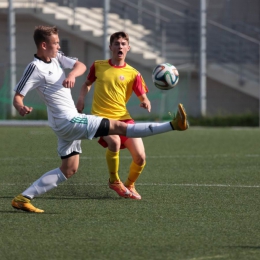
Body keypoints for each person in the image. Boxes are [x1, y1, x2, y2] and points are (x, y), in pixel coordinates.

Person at [11, 25, 189, 213]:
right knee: (119, 128)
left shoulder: (56, 57)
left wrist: (71, 74)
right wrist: (21, 107)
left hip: (66, 120)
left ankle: (23, 198)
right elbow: (17, 96)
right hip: (68, 121)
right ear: (44, 45)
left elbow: (79, 66)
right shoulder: (34, 67)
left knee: (69, 168)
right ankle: (173, 125)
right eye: (55, 43)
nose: (58, 46)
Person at [76, 31, 151, 200]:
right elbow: (86, 84)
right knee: (115, 141)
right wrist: (81, 99)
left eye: (123, 44)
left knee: (140, 157)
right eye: (116, 44)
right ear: (110, 47)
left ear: (128, 48)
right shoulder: (98, 65)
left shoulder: (134, 73)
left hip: (123, 118)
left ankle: (130, 184)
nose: (120, 46)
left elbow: (142, 94)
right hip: (100, 118)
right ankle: (114, 180)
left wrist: (145, 101)